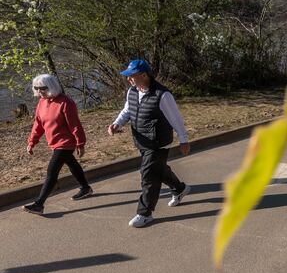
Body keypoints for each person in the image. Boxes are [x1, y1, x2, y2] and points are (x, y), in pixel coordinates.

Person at [107, 59, 191, 228]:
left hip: (158, 142)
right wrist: (117, 124)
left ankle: (144, 213)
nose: (129, 79)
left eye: (132, 76)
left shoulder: (162, 94)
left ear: (144, 75)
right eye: (128, 76)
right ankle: (179, 189)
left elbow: (176, 119)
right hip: (142, 140)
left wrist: (184, 140)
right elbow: (127, 110)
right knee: (158, 169)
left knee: (148, 175)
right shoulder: (132, 91)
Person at [23, 74, 93, 215]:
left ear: (51, 86)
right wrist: (32, 142)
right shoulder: (42, 103)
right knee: (72, 164)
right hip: (54, 143)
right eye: (36, 88)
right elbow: (38, 125)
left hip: (65, 143)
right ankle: (86, 188)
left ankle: (39, 204)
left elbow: (75, 125)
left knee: (52, 171)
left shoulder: (66, 103)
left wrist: (80, 143)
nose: (39, 91)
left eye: (42, 88)